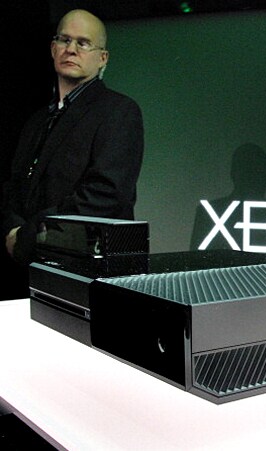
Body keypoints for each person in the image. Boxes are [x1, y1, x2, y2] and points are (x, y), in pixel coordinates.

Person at [1, 9, 144, 298]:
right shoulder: (37, 120)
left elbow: (105, 195)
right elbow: (13, 185)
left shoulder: (119, 111)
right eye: (64, 40)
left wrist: (27, 236)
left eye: (83, 43)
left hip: (89, 275)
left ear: (103, 58)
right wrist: (11, 229)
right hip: (30, 270)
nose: (71, 49)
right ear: (53, 49)